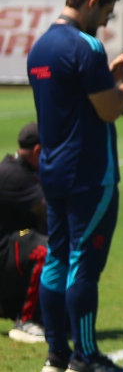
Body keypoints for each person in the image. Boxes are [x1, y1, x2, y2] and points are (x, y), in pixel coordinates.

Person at [27, 0, 123, 372]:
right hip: (90, 176)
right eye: (107, 14)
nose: (107, 24)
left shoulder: (40, 47)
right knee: (83, 264)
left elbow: (78, 99)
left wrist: (108, 81)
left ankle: (57, 352)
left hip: (54, 172)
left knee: (58, 260)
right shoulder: (87, 46)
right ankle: (86, 355)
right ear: (92, 2)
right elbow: (110, 109)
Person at [0, 122, 48, 343]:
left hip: (10, 250)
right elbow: (49, 210)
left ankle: (32, 311)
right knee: (47, 250)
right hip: (4, 253)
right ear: (38, 150)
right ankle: (25, 320)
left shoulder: (22, 170)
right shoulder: (13, 174)